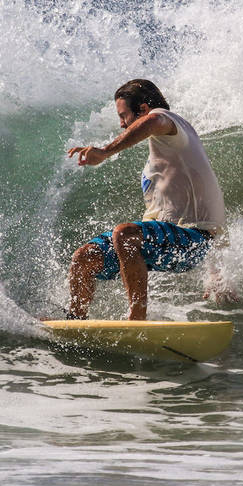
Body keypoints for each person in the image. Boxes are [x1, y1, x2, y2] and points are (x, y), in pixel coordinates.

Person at [66, 79, 226, 320]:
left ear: (141, 109)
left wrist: (105, 151)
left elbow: (154, 120)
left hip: (193, 241)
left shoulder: (168, 122)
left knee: (125, 234)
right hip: (161, 242)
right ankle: (75, 320)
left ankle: (136, 318)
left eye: (124, 116)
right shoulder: (163, 156)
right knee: (83, 258)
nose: (122, 124)